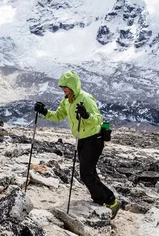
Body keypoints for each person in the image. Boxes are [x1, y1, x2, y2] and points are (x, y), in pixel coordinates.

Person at [34, 70, 121, 218]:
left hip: (94, 139)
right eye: (62, 87)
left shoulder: (85, 99)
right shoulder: (67, 101)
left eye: (65, 87)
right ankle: (99, 199)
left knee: (86, 174)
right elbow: (58, 116)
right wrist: (44, 111)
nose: (63, 90)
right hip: (81, 139)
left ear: (73, 86)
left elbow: (98, 119)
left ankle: (111, 201)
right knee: (89, 172)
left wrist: (86, 115)